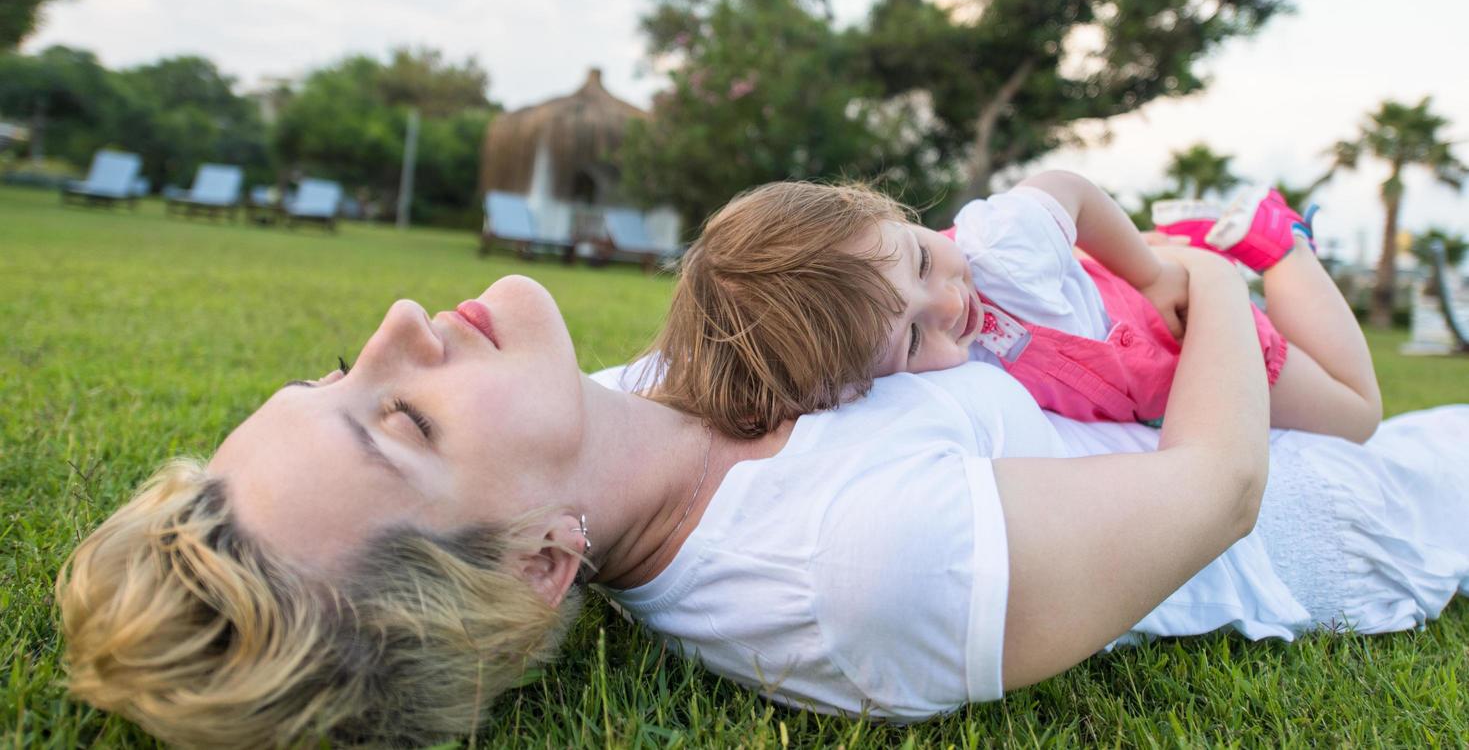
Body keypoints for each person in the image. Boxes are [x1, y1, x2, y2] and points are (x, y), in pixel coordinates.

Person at [57, 268, 1469, 747]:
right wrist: (1210, 282)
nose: (400, 325)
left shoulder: (626, 393)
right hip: (1345, 510)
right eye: (404, 420)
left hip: (1180, 380)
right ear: (546, 563)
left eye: (333, 377)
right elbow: (1213, 491)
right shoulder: (852, 576)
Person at [647, 175, 1382, 441]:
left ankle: (1275, 242)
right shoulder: (850, 348)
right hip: (1134, 368)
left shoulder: (1001, 245)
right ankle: (1194, 238)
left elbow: (1070, 189)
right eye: (910, 339)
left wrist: (1153, 271)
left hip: (1185, 332)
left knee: (1355, 415)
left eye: (925, 259)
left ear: (880, 211)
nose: (948, 304)